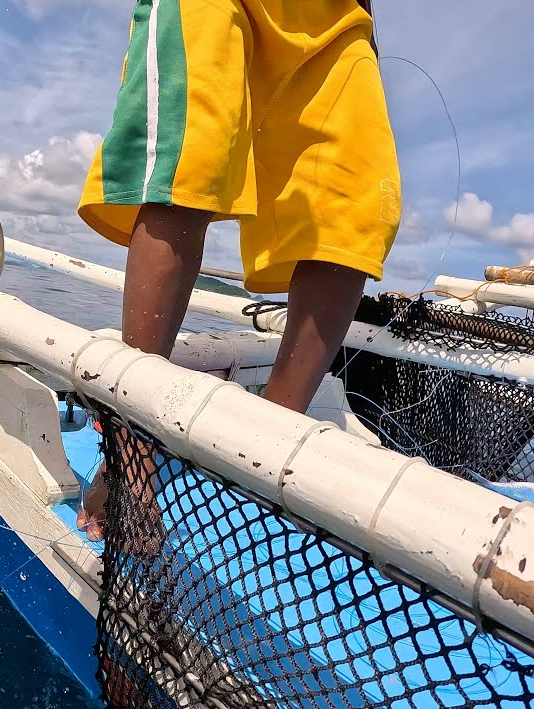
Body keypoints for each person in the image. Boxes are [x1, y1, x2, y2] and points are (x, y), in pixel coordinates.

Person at [75, 0, 401, 541]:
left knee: (351, 202)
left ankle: (268, 446)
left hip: (340, 12)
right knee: (189, 156)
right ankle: (128, 453)